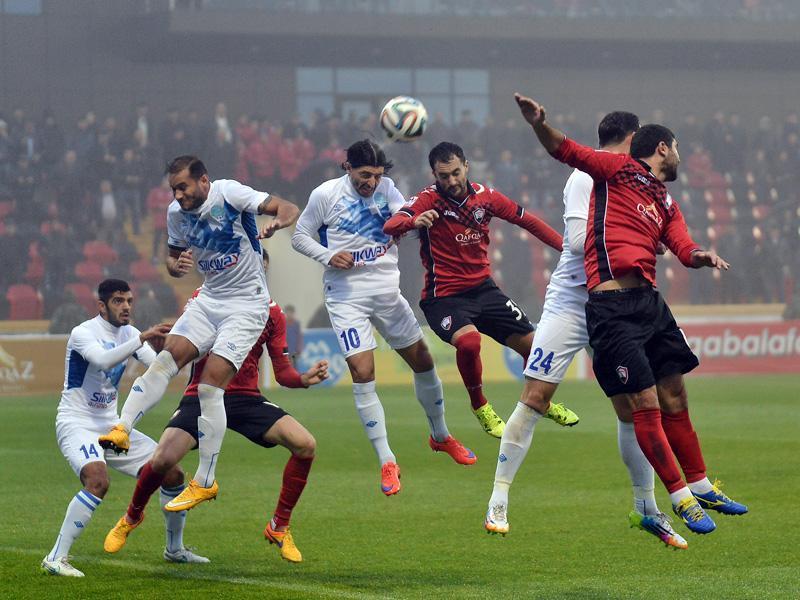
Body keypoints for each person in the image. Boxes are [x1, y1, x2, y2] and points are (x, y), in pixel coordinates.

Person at [514, 92, 747, 534]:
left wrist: (699, 255)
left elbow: (682, 246)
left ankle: (701, 485)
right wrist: (539, 124)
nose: (679, 156)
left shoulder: (665, 201)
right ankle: (679, 499)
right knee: (644, 404)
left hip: (649, 304)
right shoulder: (617, 170)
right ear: (662, 148)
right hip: (612, 308)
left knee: (675, 394)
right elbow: (566, 150)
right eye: (677, 148)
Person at [484, 111, 687, 549]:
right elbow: (578, 240)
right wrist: (638, 240)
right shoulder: (588, 175)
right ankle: (498, 498)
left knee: (633, 408)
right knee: (536, 397)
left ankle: (647, 508)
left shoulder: (635, 181)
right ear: (632, 138)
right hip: (574, 303)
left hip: (616, 308)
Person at [99, 156, 300, 513]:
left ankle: (205, 481)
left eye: (183, 187)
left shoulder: (229, 194)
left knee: (209, 386)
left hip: (246, 305)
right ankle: (122, 428)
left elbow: (287, 207)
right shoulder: (176, 213)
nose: (178, 195)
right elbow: (172, 259)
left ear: (204, 181)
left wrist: (280, 221)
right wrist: (175, 267)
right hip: (210, 299)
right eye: (173, 189)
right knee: (166, 359)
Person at [104, 251, 329, 564]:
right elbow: (187, 341)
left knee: (305, 444)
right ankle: (131, 517)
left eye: (262, 269)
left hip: (245, 397)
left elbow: (283, 372)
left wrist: (303, 379)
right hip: (202, 394)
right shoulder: (207, 298)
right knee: (163, 459)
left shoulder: (272, 313)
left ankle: (279, 526)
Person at [292, 139, 476, 497]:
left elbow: (402, 215)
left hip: (388, 294)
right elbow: (300, 236)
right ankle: (387, 460)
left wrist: (414, 220)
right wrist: (327, 256)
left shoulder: (388, 189)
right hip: (346, 297)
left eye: (377, 175)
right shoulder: (325, 195)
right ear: (347, 167)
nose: (371, 183)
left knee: (423, 361)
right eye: (364, 175)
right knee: (363, 373)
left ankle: (440, 436)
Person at [383, 142, 577, 438]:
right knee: (470, 342)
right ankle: (480, 406)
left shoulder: (486, 198)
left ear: (466, 166)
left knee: (536, 348)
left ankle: (541, 401)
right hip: (444, 298)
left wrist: (569, 250)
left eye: (456, 173)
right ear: (434, 175)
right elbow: (391, 225)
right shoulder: (428, 199)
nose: (451, 181)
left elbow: (529, 221)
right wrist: (412, 220)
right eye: (444, 176)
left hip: (484, 292)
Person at [42, 279, 205, 578]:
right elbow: (103, 360)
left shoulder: (130, 334)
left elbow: (158, 368)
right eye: (118, 301)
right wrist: (142, 337)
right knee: (97, 481)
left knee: (172, 473)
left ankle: (175, 549)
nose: (126, 306)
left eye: (129, 300)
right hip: (77, 423)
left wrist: (172, 350)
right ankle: (55, 557)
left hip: (112, 426)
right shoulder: (83, 333)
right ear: (101, 306)